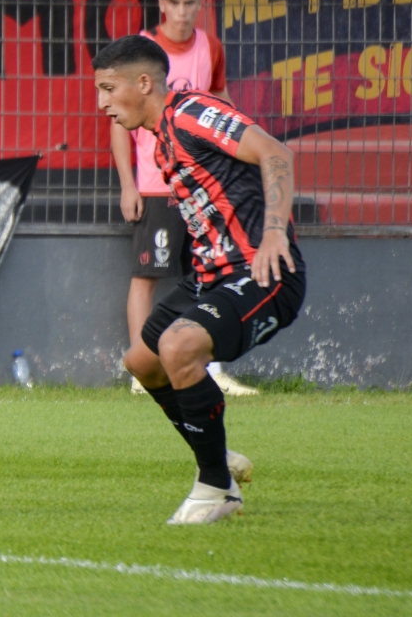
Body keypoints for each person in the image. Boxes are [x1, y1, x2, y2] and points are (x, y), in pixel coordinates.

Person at [93, 35, 306, 524]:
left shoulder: (190, 113)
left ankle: (216, 488)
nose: (102, 103)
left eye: (109, 88)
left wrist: (275, 233)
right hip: (211, 278)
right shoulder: (161, 135)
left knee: (180, 347)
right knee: (142, 361)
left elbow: (275, 153)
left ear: (143, 83)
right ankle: (217, 455)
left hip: (263, 270)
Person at [109, 0, 257, 397]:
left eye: (190, 3)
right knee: (147, 275)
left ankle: (207, 366)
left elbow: (220, 104)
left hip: (204, 187)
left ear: (200, 4)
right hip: (157, 186)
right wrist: (128, 185)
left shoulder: (210, 47)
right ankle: (142, 368)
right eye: (174, 3)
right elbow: (119, 123)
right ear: (161, 4)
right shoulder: (142, 49)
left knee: (216, 273)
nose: (182, 11)